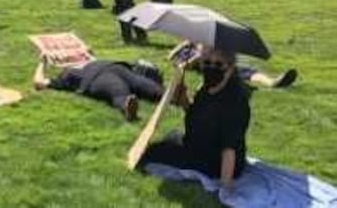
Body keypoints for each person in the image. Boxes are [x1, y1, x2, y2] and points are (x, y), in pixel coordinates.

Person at [140, 47, 251, 190]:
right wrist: (184, 100)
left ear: (230, 68)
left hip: (215, 160)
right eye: (207, 63)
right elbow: (197, 117)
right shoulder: (206, 88)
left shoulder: (235, 101)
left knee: (152, 154)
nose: (211, 67)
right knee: (166, 141)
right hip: (199, 145)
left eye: (218, 64)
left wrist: (225, 185)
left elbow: (229, 147)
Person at [33, 56, 165, 121]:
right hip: (96, 78)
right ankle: (127, 106)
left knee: (141, 83)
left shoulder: (84, 60)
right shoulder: (65, 78)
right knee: (118, 90)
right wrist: (42, 63)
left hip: (116, 68)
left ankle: (170, 95)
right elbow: (38, 82)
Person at [169, 41, 298, 88]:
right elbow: (177, 61)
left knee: (250, 72)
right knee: (243, 74)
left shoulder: (202, 42)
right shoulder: (184, 54)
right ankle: (271, 83)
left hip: (222, 61)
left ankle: (273, 82)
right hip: (214, 68)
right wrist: (197, 54)